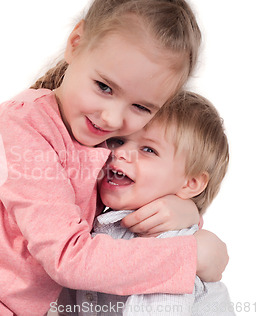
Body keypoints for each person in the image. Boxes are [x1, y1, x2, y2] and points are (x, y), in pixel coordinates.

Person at [0, 0, 228, 315]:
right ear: (75, 42)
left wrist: (184, 212)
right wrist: (191, 255)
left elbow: (121, 219)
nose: (112, 117)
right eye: (104, 86)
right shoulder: (24, 126)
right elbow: (69, 258)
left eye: (141, 108)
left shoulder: (104, 142)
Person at [55, 91, 233, 316]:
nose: (119, 152)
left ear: (192, 183)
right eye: (118, 140)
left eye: (148, 150)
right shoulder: (98, 222)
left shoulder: (171, 245)